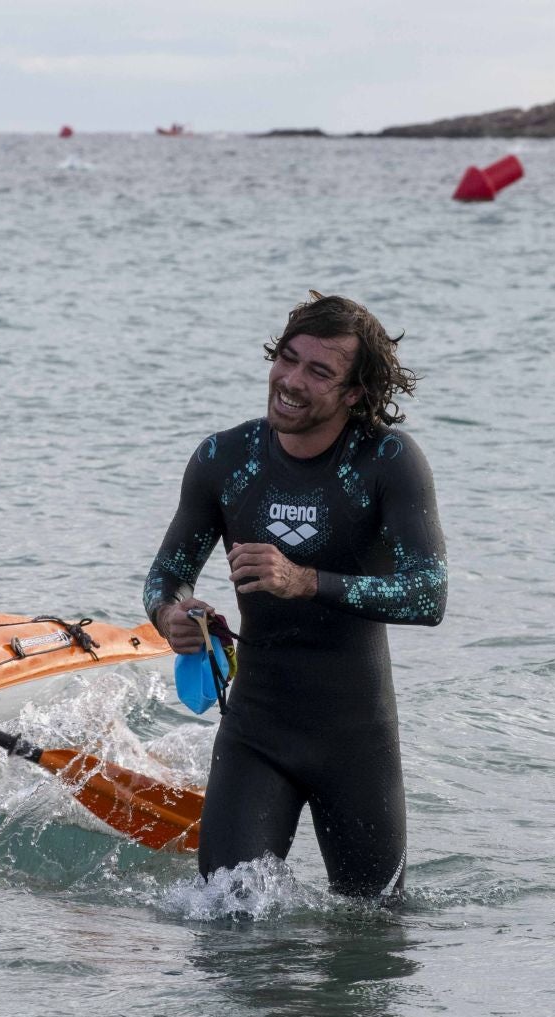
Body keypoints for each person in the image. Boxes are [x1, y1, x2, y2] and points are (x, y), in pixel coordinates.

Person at [143, 293, 446, 897]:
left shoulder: (388, 461)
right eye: (287, 359)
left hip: (356, 740)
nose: (291, 381)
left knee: (373, 941)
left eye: (319, 371)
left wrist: (306, 581)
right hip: (256, 732)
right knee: (225, 928)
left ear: (355, 392)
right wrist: (173, 615)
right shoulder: (224, 459)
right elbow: (164, 576)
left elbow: (427, 595)